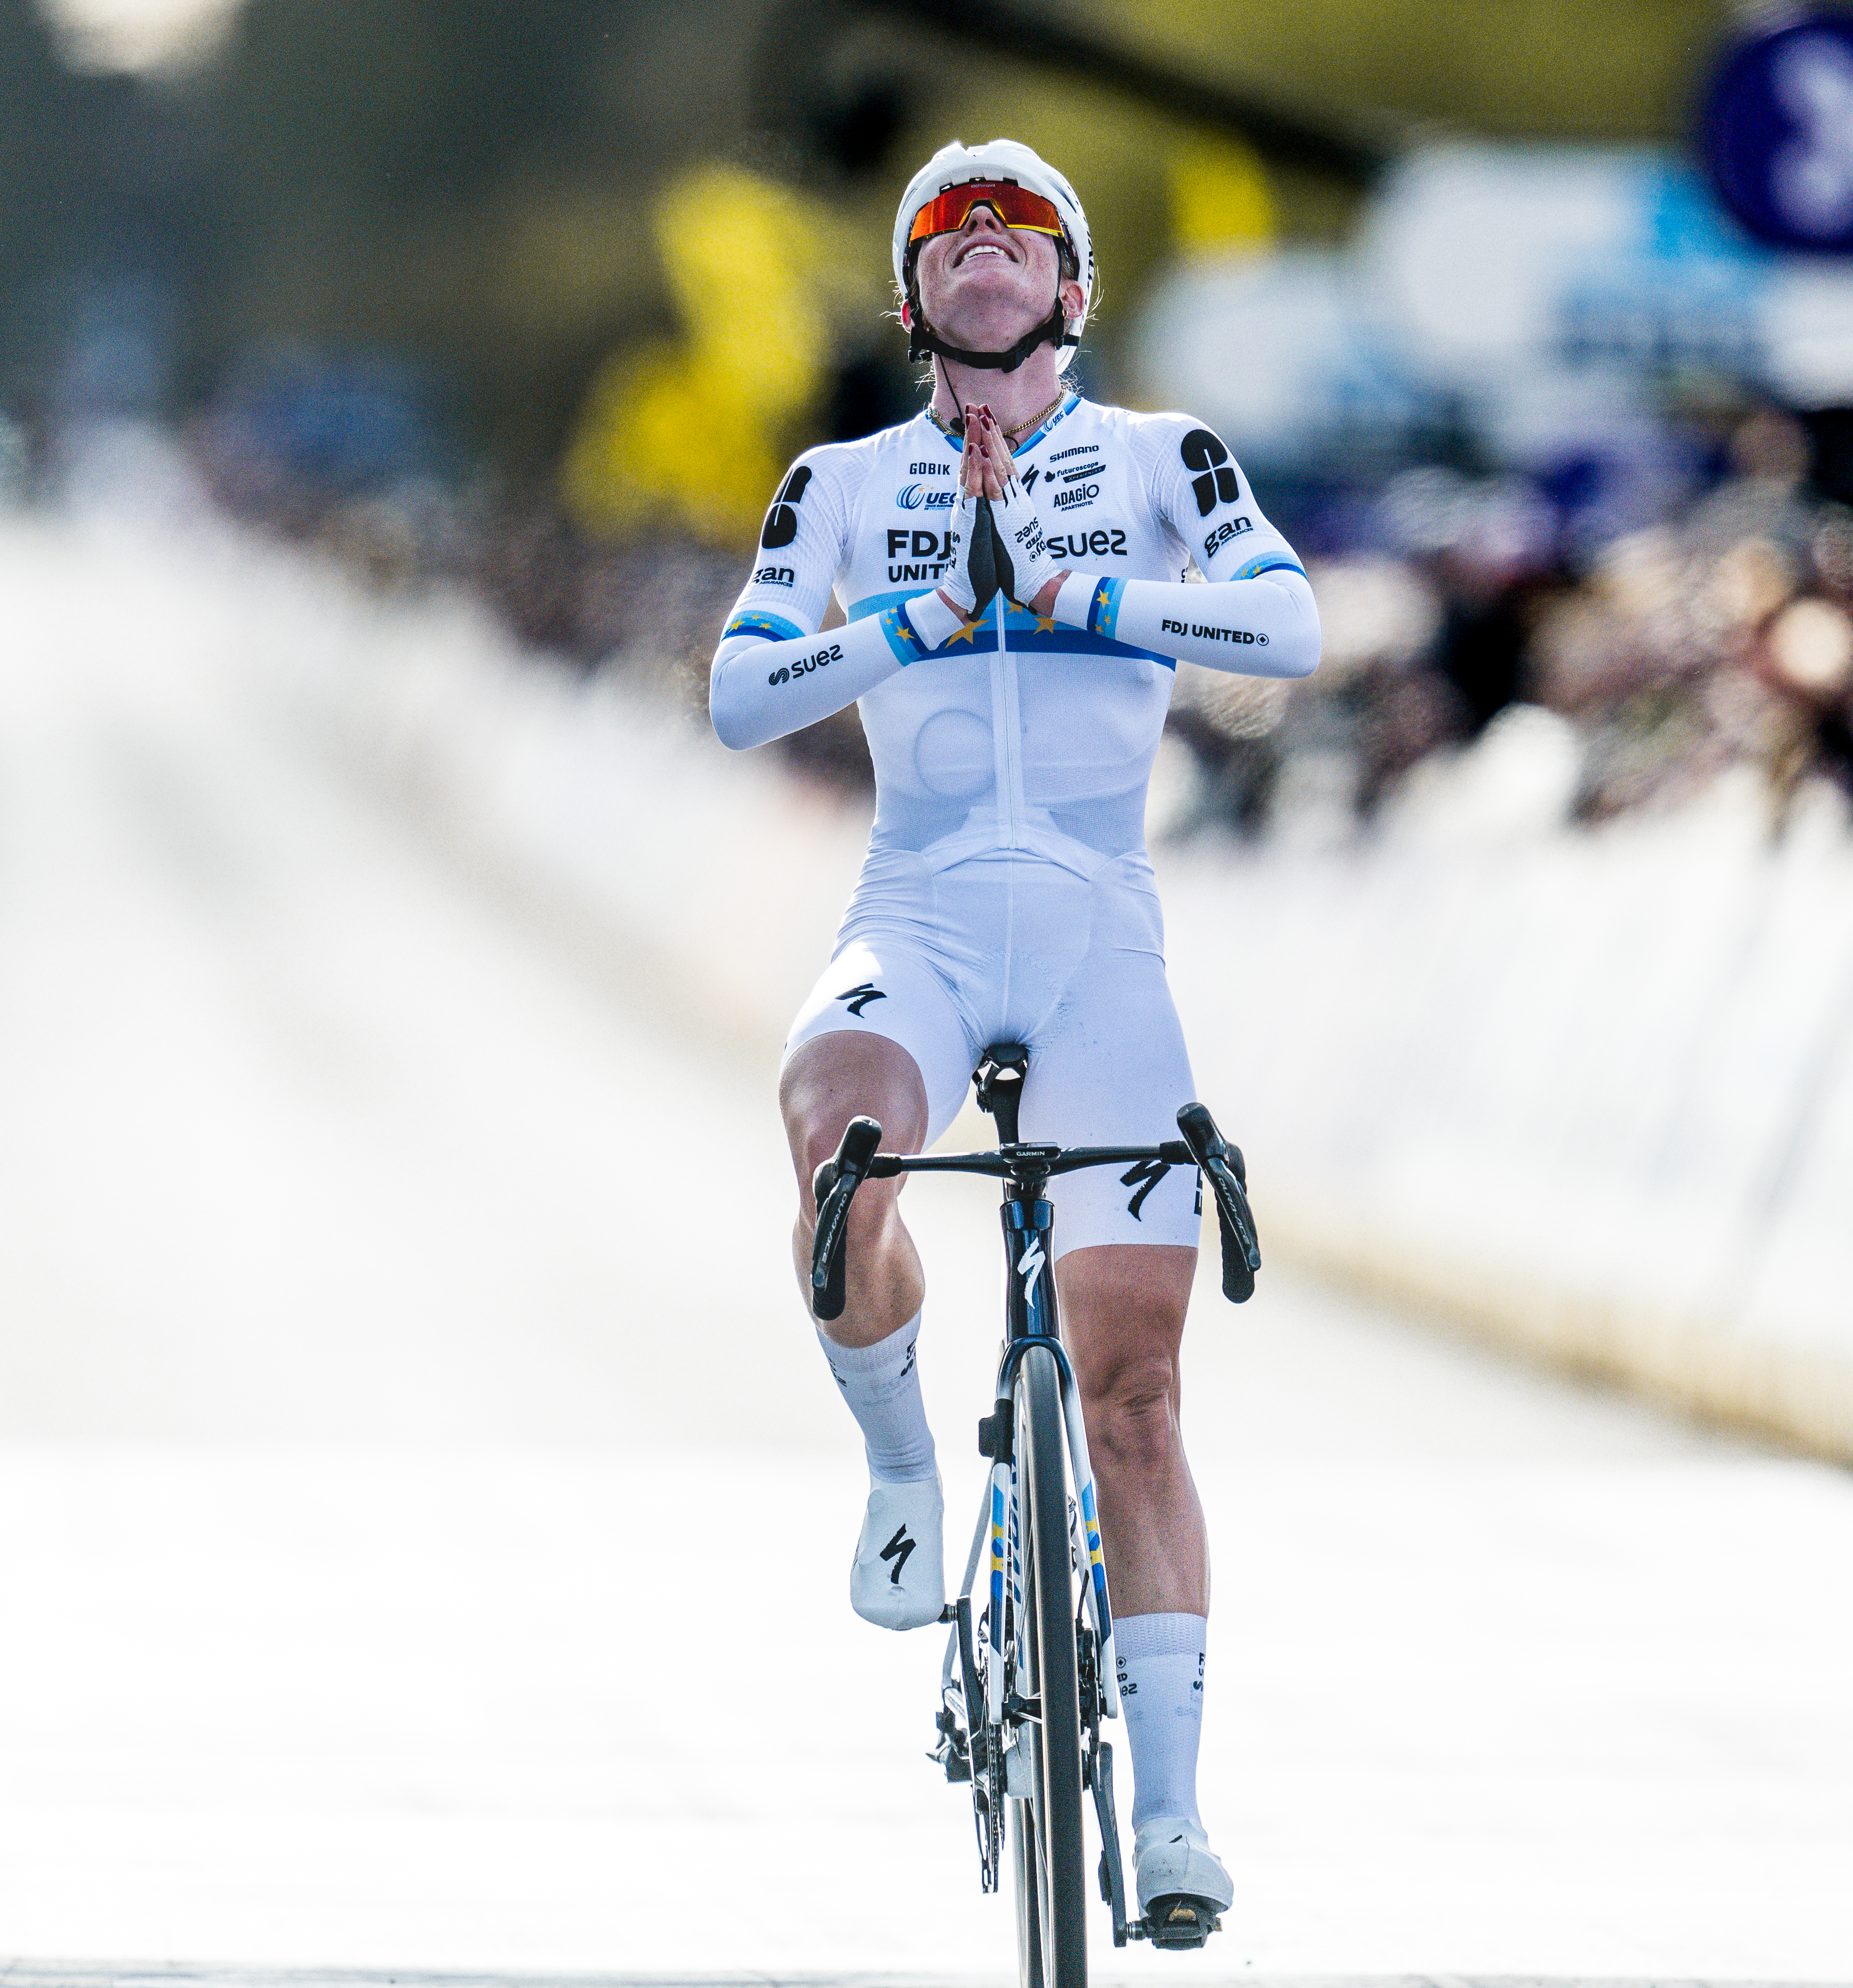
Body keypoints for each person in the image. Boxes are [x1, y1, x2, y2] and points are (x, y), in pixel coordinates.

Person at [706, 138, 1319, 1932]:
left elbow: (1286, 622)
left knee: (1132, 1392)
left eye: (1022, 232)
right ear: (911, 299)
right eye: (949, 237)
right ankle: (903, 1465)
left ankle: (1178, 1818)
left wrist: (1082, 601)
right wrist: (916, 615)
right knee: (835, 1130)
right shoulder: (838, 480)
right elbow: (743, 688)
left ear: (1071, 286)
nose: (987, 250)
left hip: (1094, 932)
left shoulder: (1161, 459)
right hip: (914, 909)